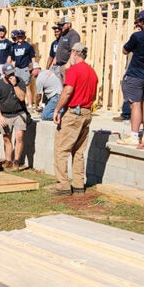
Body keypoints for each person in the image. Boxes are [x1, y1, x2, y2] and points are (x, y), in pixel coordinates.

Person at [52, 42, 98, 195]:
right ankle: (78, 184)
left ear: (75, 53)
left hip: (74, 113)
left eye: (71, 52)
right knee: (78, 151)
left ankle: (63, 185)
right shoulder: (92, 72)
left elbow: (67, 92)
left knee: (61, 150)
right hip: (86, 112)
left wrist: (57, 109)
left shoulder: (74, 70)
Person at [117, 9, 144, 146]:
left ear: (141, 21)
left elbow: (125, 50)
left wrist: (134, 35)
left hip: (135, 74)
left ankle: (134, 135)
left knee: (135, 105)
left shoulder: (138, 36)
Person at [0, 63, 28, 171]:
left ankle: (16, 161)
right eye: (8, 74)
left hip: (19, 113)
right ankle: (8, 160)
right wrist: (0, 117)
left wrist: (15, 85)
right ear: (4, 74)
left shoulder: (19, 81)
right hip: (5, 115)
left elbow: (22, 98)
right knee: (6, 138)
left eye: (12, 73)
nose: (11, 75)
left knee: (19, 136)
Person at [10, 30, 36, 109]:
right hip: (17, 68)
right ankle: (18, 104)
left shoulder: (28, 46)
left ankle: (30, 104)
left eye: (22, 36)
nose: (20, 38)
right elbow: (13, 59)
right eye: (19, 36)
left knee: (27, 86)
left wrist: (32, 68)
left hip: (25, 68)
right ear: (16, 37)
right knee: (17, 85)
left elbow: (32, 58)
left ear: (24, 37)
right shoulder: (14, 46)